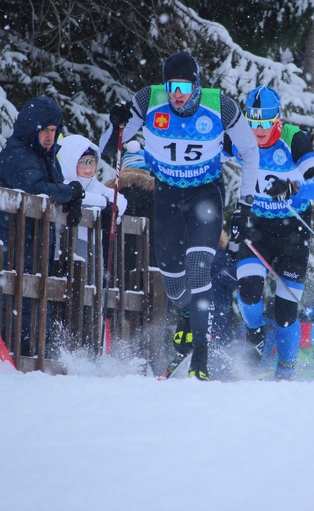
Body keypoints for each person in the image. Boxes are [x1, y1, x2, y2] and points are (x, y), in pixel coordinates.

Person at [99, 51, 259, 380]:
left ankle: (200, 356)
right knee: (173, 284)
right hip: (168, 195)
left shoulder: (221, 106)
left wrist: (245, 206)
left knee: (200, 272)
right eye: (172, 86)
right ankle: (188, 315)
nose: (177, 95)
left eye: (184, 87)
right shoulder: (148, 100)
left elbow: (250, 150)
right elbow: (108, 147)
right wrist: (116, 123)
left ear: (196, 86)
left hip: (205, 194)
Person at [224, 85, 314, 380]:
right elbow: (207, 153)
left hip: (292, 233)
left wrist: (293, 189)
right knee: (249, 294)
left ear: (278, 121)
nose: (258, 131)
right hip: (256, 227)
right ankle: (254, 331)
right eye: (253, 123)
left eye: (265, 123)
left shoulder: (294, 139)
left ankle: (286, 372)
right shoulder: (240, 138)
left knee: (286, 314)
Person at [0, 96, 86, 356]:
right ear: (31, 129)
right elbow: (35, 189)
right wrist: (69, 192)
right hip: (14, 241)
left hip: (32, 244)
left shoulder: (44, 156)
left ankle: (31, 350)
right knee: (15, 300)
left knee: (32, 299)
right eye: (44, 130)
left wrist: (71, 199)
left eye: (54, 131)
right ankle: (16, 351)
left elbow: (51, 190)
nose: (49, 136)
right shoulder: (17, 154)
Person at [57, 134, 127, 259]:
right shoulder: (63, 184)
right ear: (70, 162)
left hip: (92, 242)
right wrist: (105, 204)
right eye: (83, 162)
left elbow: (120, 199)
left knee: (92, 275)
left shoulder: (95, 185)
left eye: (92, 162)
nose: (89, 167)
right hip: (66, 240)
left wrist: (113, 208)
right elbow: (79, 196)